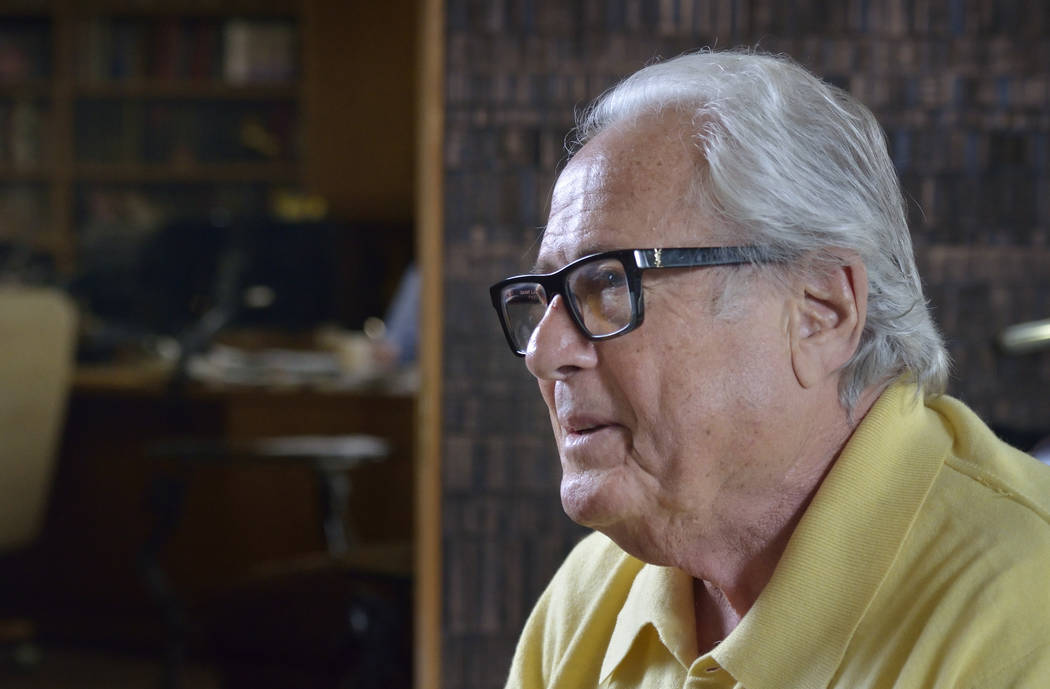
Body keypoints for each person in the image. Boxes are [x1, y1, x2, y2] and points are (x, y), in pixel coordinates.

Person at [489, 50, 1050, 688]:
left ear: (821, 312)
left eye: (610, 284)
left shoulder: (1025, 612)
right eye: (543, 300)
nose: (543, 350)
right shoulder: (588, 600)